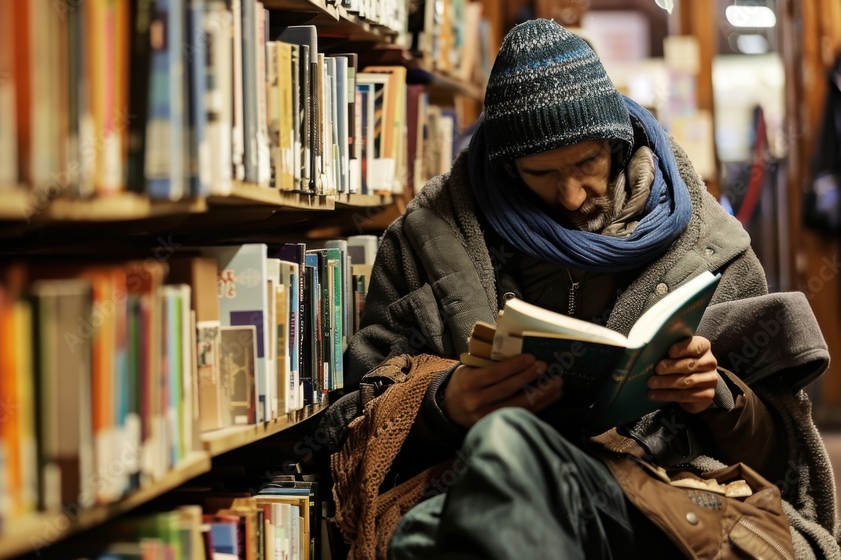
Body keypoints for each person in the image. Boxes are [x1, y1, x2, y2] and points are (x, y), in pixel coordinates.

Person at [324, 19, 839, 559]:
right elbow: (346, 428)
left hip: (653, 490)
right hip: (479, 481)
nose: (570, 196)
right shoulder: (425, 238)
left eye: (587, 163)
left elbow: (782, 458)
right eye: (540, 173)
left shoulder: (707, 244)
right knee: (482, 477)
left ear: (617, 145)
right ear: (505, 166)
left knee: (459, 507)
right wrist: (441, 405)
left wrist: (719, 399)